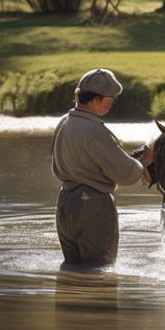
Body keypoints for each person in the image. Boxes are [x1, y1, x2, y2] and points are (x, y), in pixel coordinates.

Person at [51, 68, 154, 271]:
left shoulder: (64, 122)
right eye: (110, 98)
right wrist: (144, 162)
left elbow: (93, 162)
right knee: (99, 270)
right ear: (96, 100)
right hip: (93, 208)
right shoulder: (94, 130)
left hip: (64, 205)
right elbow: (125, 174)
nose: (112, 102)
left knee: (72, 269)